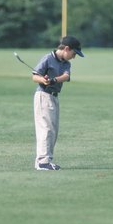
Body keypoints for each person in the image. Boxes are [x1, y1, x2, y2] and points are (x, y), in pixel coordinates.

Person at [30, 36, 84, 171]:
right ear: (66, 49)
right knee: (46, 129)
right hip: (43, 96)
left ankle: (46, 160)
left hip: (54, 97)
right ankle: (43, 162)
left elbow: (66, 77)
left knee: (53, 131)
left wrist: (53, 80)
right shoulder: (47, 58)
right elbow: (35, 76)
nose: (74, 57)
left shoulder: (66, 63)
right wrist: (43, 80)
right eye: (74, 53)